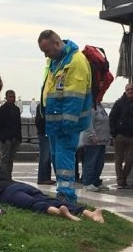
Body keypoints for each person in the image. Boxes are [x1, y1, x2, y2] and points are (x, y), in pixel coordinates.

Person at [0, 145, 104, 223]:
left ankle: (61, 213)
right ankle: (89, 213)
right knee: (48, 199)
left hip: (6, 192)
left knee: (33, 204)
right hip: (19, 185)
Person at [37, 30, 93, 204]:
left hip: (67, 123)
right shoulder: (56, 61)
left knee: (64, 156)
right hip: (55, 121)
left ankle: (66, 194)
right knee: (57, 156)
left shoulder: (76, 62)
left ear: (57, 43)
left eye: (47, 50)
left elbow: (74, 97)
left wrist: (68, 123)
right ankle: (63, 191)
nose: (46, 55)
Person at [109, 83, 133, 189]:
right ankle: (120, 181)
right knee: (119, 159)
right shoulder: (119, 103)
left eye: (132, 89)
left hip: (132, 136)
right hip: (120, 135)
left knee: (130, 160)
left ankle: (123, 178)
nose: (130, 91)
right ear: (125, 91)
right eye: (128, 89)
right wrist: (114, 133)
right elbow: (112, 117)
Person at [81, 100, 111, 191]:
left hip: (102, 140)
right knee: (91, 162)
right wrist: (92, 136)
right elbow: (88, 124)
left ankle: (96, 181)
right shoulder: (91, 106)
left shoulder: (100, 106)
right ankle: (87, 182)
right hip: (93, 141)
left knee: (99, 162)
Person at [0, 90, 23, 176]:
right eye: (10, 97)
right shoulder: (2, 110)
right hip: (6, 138)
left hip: (15, 138)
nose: (12, 99)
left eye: (13, 97)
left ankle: (9, 175)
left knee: (11, 159)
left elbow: (18, 124)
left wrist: (19, 137)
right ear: (6, 98)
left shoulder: (16, 109)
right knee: (4, 159)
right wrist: (2, 137)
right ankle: (3, 176)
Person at [35, 98, 55, 185]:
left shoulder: (44, 106)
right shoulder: (42, 107)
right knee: (45, 156)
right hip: (44, 133)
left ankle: (46, 177)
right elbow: (39, 121)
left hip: (46, 132)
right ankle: (43, 178)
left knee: (48, 156)